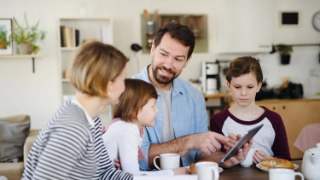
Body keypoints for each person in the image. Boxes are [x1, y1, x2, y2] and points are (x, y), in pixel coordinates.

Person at [132, 22, 251, 170]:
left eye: (178, 59)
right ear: (153, 49)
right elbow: (135, 157)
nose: (168, 64)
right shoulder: (127, 92)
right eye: (163, 54)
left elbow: (199, 155)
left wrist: (225, 158)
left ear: (187, 61)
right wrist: (189, 142)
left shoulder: (194, 97)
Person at [23, 41, 133, 180]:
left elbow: (105, 173)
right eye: (123, 80)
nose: (124, 88)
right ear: (108, 84)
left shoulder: (91, 119)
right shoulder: (73, 129)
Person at [210, 56, 291, 164]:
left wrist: (269, 160)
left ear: (259, 86)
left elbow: (286, 160)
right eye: (237, 87)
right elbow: (215, 161)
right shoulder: (218, 120)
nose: (243, 93)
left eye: (250, 87)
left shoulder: (274, 119)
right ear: (229, 86)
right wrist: (227, 149)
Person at [102, 79, 189, 176]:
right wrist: (172, 173)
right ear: (135, 109)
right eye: (153, 106)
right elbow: (134, 176)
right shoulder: (128, 129)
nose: (157, 110)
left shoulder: (124, 126)